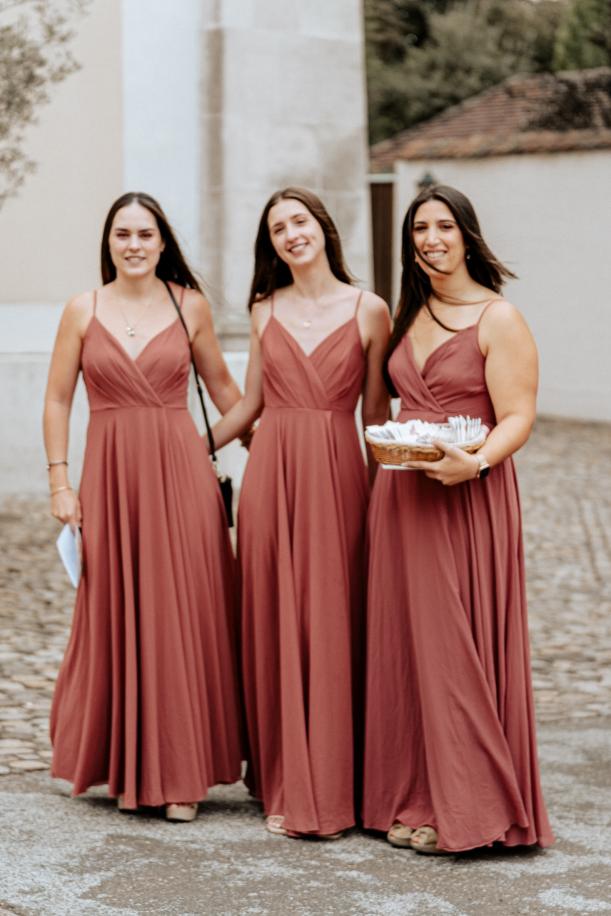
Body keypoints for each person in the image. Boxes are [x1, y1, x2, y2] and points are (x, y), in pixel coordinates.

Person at [362, 185, 554, 854]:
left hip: (463, 494)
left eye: (443, 226)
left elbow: (518, 417)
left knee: (455, 647)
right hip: (401, 497)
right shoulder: (407, 313)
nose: (430, 238)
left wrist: (471, 465)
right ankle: (414, 792)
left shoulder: (497, 318)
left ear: (466, 236)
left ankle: (468, 805)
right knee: (405, 646)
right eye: (419, 229)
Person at [43, 191, 243, 821]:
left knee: (181, 614)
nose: (133, 245)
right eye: (122, 235)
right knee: (115, 610)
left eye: (145, 235)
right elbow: (56, 401)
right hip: (109, 482)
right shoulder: (83, 309)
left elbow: (231, 395)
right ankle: (121, 764)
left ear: (163, 243)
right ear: (110, 243)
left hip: (181, 484)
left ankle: (181, 776)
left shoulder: (190, 308)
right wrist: (60, 482)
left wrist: (196, 444)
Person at [211, 187, 390, 838]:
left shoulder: (369, 310)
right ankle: (285, 778)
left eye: (299, 221)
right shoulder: (264, 309)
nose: (290, 233)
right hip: (270, 483)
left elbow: (375, 418)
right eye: (278, 228)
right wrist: (188, 447)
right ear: (272, 245)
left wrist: (390, 501)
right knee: (274, 622)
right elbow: (249, 404)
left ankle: (334, 784)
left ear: (322, 228)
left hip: (338, 478)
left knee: (330, 622)